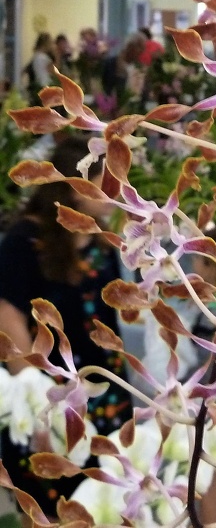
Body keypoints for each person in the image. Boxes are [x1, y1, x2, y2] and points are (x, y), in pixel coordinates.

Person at [0, 135, 133, 521]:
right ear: (76, 187)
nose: (121, 189)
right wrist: (42, 405)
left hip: (106, 397)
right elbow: (8, 322)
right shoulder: (26, 241)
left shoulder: (100, 238)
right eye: (110, 181)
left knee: (103, 504)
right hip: (51, 398)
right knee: (51, 508)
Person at [141, 224, 216, 525]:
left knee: (206, 481)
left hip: (204, 407)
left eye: (197, 259)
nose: (190, 265)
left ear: (212, 266)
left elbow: (173, 362)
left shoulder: (207, 314)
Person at [101, 32, 147, 103]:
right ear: (130, 46)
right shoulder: (111, 64)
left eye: (143, 48)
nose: (142, 51)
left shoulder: (140, 68)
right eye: (139, 47)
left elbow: (143, 93)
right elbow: (105, 88)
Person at [23, 32, 56, 105]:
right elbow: (54, 71)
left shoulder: (36, 56)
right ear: (45, 44)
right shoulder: (43, 58)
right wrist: (56, 53)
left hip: (38, 85)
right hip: (44, 85)